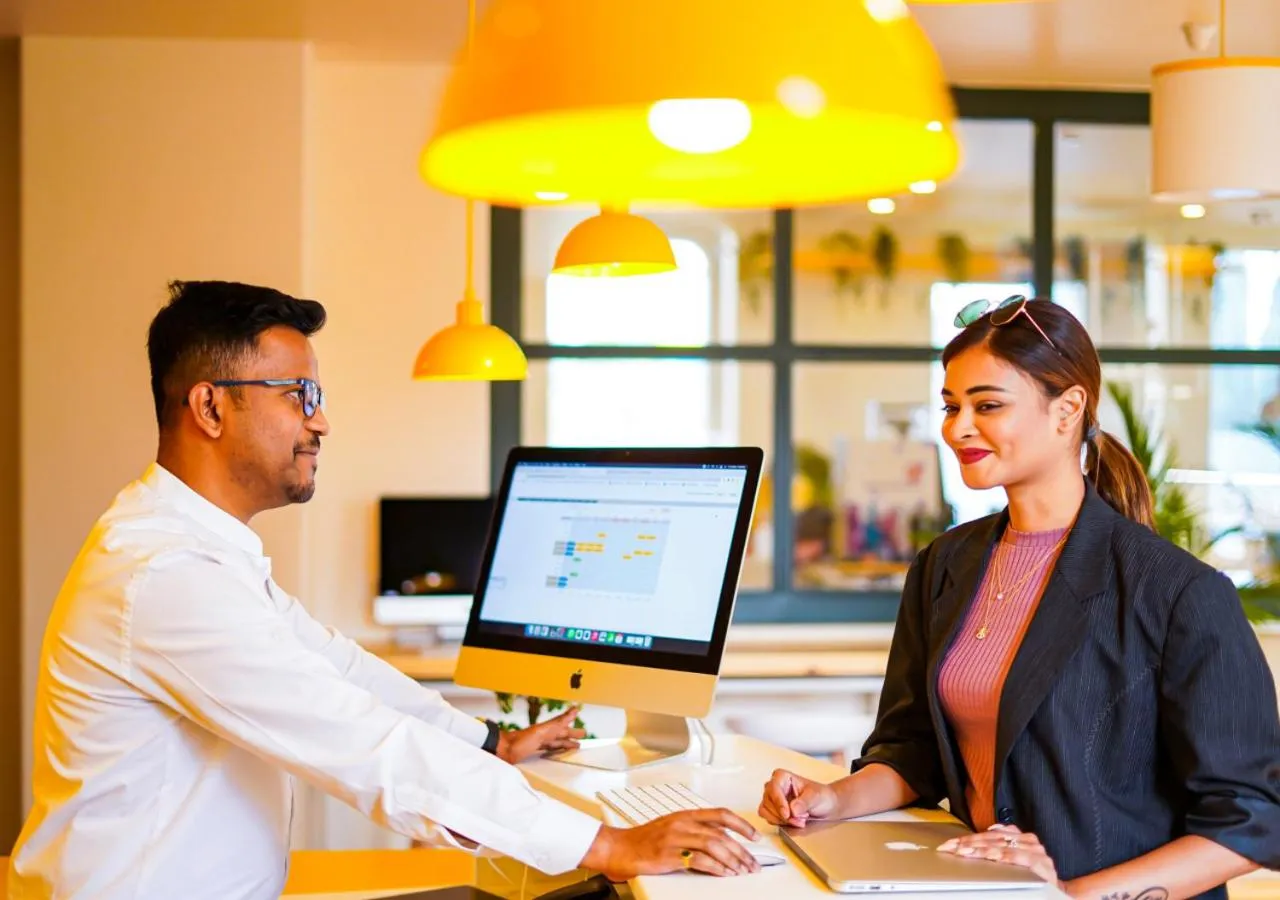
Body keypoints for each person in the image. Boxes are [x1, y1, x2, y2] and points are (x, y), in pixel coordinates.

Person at [9, 281, 761, 900]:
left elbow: (340, 669)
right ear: (209, 406)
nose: (322, 420)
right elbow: (365, 745)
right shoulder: (167, 576)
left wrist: (490, 742)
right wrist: (605, 842)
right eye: (298, 394)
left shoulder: (197, 552)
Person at [758, 296, 1280, 899]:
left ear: (1068, 410)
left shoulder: (1178, 591)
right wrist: (833, 799)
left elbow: (1252, 820)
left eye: (988, 406)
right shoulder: (943, 566)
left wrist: (1071, 896)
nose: (958, 428)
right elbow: (913, 750)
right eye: (951, 407)